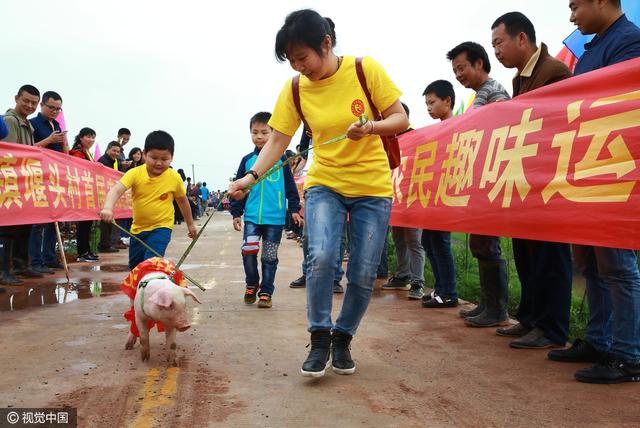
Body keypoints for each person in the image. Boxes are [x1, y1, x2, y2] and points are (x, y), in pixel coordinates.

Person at [229, 9, 409, 377]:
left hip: (372, 187)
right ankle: (320, 336)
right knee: (322, 256)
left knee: (361, 271)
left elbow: (401, 118)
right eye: (292, 61)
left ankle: (343, 337)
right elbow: (278, 139)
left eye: (302, 58)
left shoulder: (365, 69)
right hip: (325, 183)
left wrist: (371, 127)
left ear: (326, 44)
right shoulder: (295, 89)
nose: (299, 67)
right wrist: (251, 177)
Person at [548, 0, 640, 384]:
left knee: (618, 268)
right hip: (585, 170)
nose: (572, 16)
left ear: (602, 1)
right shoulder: (590, 51)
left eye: (575, 6)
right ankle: (599, 341)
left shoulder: (630, 42)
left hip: (615, 172)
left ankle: (628, 354)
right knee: (589, 264)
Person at [490, 12, 573, 350]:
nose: (496, 50)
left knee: (550, 255)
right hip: (526, 179)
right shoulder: (519, 79)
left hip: (550, 180)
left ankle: (552, 328)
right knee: (525, 252)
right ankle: (529, 317)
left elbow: (557, 126)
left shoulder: (554, 72)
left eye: (499, 43)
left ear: (521, 38)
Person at [445, 42, 511, 327]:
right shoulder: (479, 96)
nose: (459, 75)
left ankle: (497, 310)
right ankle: (487, 304)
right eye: (455, 70)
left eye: (462, 68)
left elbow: (500, 133)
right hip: (481, 182)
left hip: (492, 180)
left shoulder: (494, 92)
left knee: (487, 244)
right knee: (480, 244)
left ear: (479, 63)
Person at [230, 112, 302, 309]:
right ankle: (252, 282)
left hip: (275, 219)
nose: (259, 136)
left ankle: (266, 292)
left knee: (269, 257)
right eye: (255, 132)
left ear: (273, 134)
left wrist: (294, 209)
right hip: (252, 218)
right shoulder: (247, 161)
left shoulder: (282, 161)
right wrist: (236, 213)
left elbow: (290, 188)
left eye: (264, 132)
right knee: (248, 251)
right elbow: (238, 188)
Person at [100, 130, 197, 270]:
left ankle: (155, 288)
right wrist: (108, 208)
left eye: (164, 159)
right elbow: (116, 190)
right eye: (154, 158)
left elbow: (182, 201)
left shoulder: (174, 177)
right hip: (138, 230)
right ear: (145, 154)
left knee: (152, 264)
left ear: (172, 158)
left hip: (161, 228)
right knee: (135, 269)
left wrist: (190, 225)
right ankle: (143, 290)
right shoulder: (135, 173)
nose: (158, 163)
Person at [418, 81, 459, 308]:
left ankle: (449, 292)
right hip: (433, 196)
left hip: (445, 195)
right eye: (426, 104)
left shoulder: (455, 126)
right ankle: (441, 288)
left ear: (447, 101)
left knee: (441, 242)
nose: (429, 108)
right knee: (429, 240)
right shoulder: (438, 129)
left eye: (432, 102)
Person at [382, 102, 426, 296]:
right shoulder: (389, 139)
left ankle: (418, 282)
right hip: (396, 197)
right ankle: (402, 275)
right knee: (399, 238)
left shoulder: (418, 137)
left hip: (414, 197)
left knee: (415, 241)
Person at [2, 84, 43, 280]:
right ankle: (4, 270)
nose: (29, 105)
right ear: (16, 98)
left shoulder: (27, 124)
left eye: (34, 103)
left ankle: (20, 265)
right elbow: (10, 154)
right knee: (7, 230)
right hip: (10, 183)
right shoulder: (10, 121)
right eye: (26, 101)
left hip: (23, 183)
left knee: (23, 226)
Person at [28, 91, 68, 274]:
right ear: (42, 105)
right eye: (51, 107)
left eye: (58, 109)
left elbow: (61, 153)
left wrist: (63, 143)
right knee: (38, 222)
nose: (54, 111)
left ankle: (50, 257)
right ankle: (35, 262)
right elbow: (27, 149)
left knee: (55, 220)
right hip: (38, 177)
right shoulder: (34, 124)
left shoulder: (58, 125)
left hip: (55, 178)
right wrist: (49, 140)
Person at [69, 128, 100, 262]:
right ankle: (82, 253)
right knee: (83, 225)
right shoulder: (77, 152)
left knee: (87, 224)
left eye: (93, 137)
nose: (91, 140)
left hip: (87, 193)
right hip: (81, 193)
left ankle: (86, 250)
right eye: (88, 137)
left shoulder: (87, 153)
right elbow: (79, 169)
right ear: (81, 138)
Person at [97, 141, 125, 253]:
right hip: (103, 195)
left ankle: (107, 244)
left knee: (110, 222)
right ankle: (104, 245)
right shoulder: (103, 161)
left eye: (118, 151)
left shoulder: (115, 162)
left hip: (111, 195)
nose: (116, 153)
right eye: (114, 150)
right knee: (105, 221)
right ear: (107, 149)